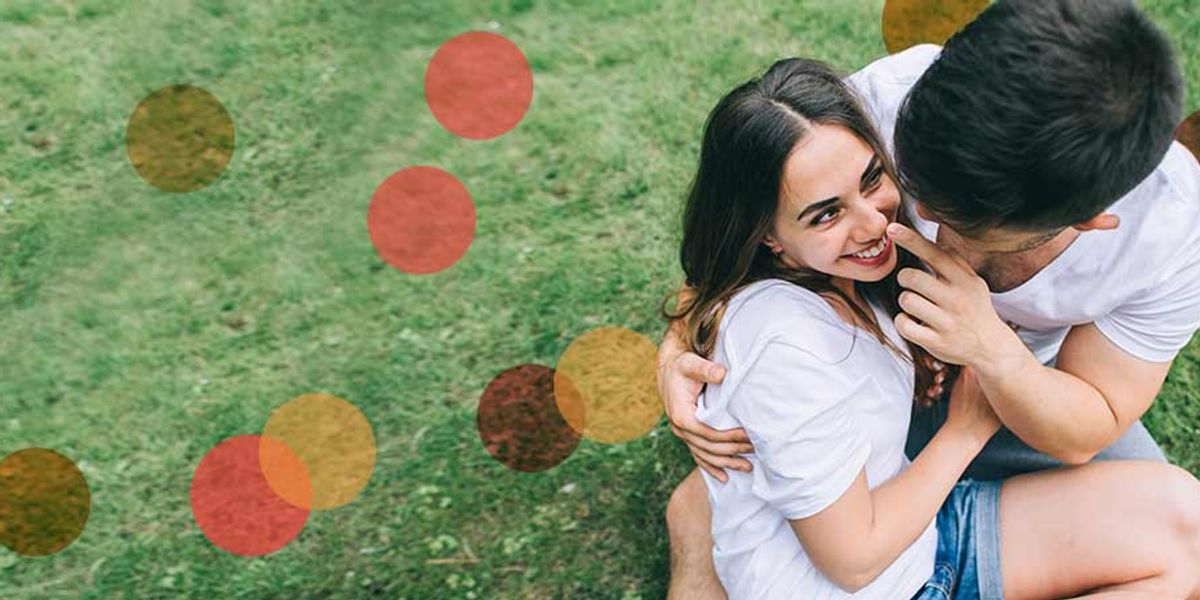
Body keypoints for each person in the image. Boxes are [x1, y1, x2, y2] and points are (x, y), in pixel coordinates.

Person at [659, 1, 1200, 597]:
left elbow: (1086, 425)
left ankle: (748, 500)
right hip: (861, 377)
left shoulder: (1171, 233)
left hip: (1013, 393)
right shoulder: (879, 105)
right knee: (782, 504)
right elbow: (738, 238)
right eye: (917, 186)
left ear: (1091, 219)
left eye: (964, 219)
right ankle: (712, 513)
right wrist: (678, 345)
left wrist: (994, 354)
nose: (917, 223)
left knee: (1186, 531)